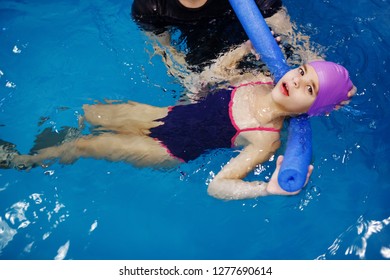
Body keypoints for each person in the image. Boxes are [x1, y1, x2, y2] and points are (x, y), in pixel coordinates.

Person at [0, 60, 356, 200]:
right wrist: (232, 57)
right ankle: (57, 140)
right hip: (163, 115)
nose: (296, 81)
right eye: (301, 71)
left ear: (314, 109)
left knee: (87, 147)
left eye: (309, 89)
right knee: (90, 112)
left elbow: (216, 186)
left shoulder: (265, 138)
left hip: (169, 151)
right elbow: (210, 77)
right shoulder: (259, 77)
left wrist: (266, 188)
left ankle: (22, 159)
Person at [131, 0, 322, 93]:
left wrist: (320, 70)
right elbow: (168, 54)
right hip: (202, 48)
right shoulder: (151, 6)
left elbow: (288, 32)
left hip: (247, 32)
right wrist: (191, 81)